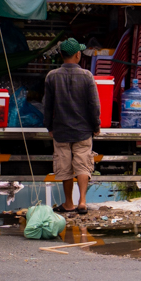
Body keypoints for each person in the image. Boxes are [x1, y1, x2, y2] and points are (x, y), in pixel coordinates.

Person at [40, 38, 100, 214]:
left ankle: (68, 203)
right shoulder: (87, 76)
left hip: (61, 131)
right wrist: (96, 126)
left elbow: (47, 105)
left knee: (65, 168)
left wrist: (49, 127)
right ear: (78, 55)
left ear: (61, 55)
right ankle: (82, 201)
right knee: (83, 164)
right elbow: (94, 105)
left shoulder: (52, 76)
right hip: (83, 131)